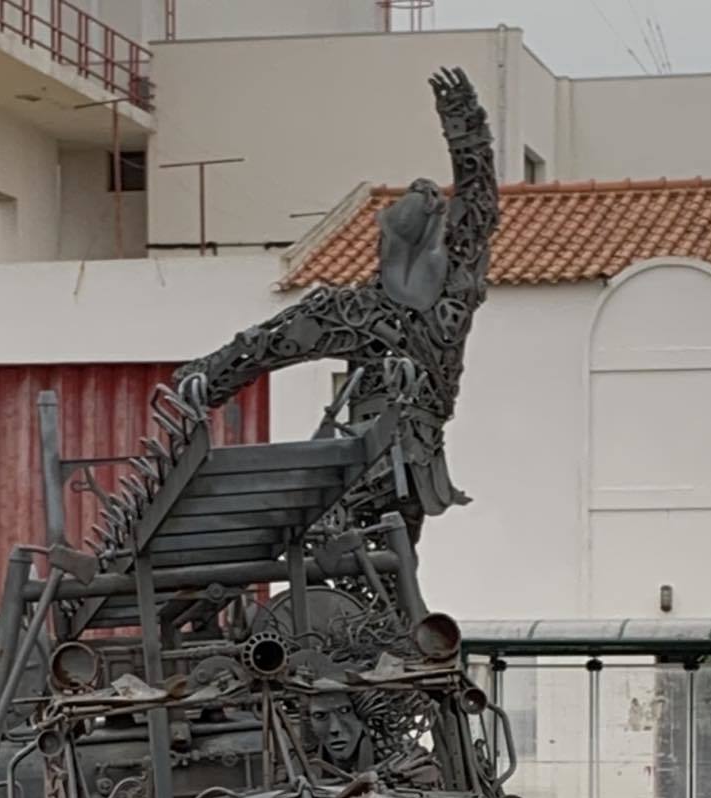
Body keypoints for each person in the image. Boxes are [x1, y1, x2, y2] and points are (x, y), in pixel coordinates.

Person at [172, 67, 499, 543]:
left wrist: (203, 380)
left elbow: (267, 343)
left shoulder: (360, 309)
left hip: (371, 460)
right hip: (422, 463)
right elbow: (479, 203)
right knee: (388, 563)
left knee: (333, 541)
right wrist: (467, 128)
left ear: (385, 247)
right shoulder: (455, 293)